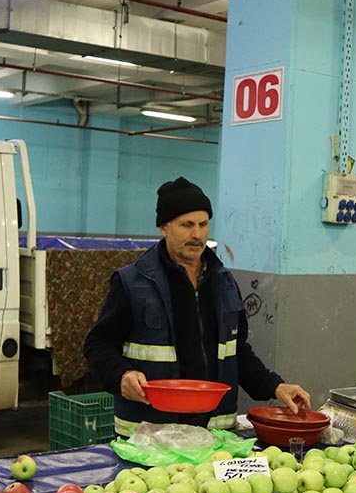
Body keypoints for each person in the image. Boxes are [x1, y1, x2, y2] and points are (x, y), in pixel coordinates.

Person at [84, 177, 311, 437]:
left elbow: (237, 353)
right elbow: (97, 345)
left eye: (203, 224)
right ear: (164, 228)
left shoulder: (223, 282)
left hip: (213, 437)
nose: (197, 234)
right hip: (152, 439)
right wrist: (121, 375)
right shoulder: (132, 283)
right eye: (187, 225)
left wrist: (276, 386)